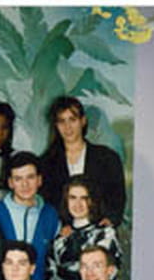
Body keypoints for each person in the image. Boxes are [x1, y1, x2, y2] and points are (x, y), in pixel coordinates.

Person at [40, 96, 126, 227]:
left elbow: (117, 196)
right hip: (62, 233)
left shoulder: (107, 158)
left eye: (72, 120)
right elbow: (46, 202)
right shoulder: (46, 162)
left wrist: (110, 220)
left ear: (83, 121)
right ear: (56, 125)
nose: (67, 127)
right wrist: (59, 227)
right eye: (62, 121)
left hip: (99, 231)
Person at [0, 151, 59, 280]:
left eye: (30, 177)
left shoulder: (50, 214)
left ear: (39, 180)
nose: (25, 184)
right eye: (18, 179)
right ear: (10, 183)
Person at [46, 175, 121, 280]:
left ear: (93, 201)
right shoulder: (61, 236)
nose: (78, 204)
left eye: (84, 198)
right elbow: (51, 276)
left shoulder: (105, 234)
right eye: (72, 198)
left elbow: (107, 277)